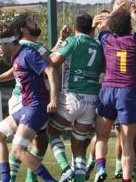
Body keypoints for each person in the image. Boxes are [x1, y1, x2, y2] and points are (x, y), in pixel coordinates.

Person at [0, 14, 59, 182]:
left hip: (36, 108)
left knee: (18, 149)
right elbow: (15, 71)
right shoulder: (16, 55)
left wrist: (54, 100)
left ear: (8, 42)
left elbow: (51, 70)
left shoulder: (28, 53)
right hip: (26, 107)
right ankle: (5, 179)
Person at [92, 0, 136, 182]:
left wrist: (118, 8)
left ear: (113, 28)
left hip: (108, 90)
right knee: (127, 145)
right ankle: (127, 179)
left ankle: (101, 168)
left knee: (101, 137)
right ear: (130, 26)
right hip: (128, 92)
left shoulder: (107, 40)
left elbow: (103, 25)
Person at [45, 13, 104, 182]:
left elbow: (53, 61)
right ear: (91, 29)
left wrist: (60, 43)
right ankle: (77, 177)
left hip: (72, 97)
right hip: (91, 100)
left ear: (75, 27)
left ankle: (65, 168)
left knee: (52, 132)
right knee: (78, 146)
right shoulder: (99, 45)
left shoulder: (73, 41)